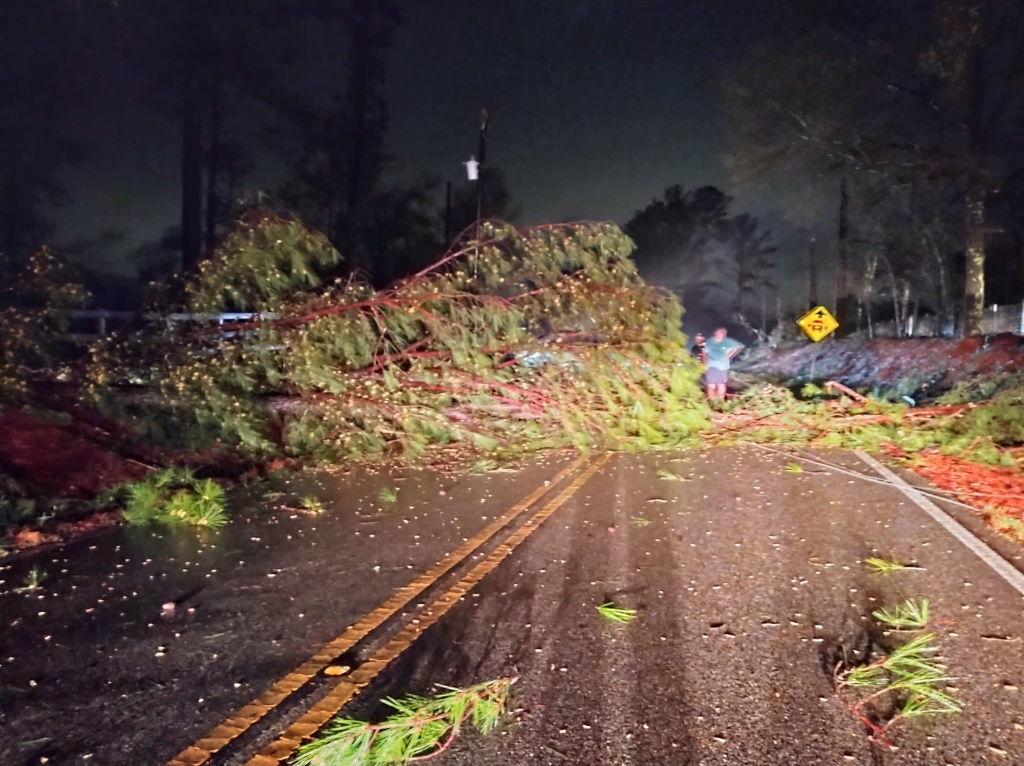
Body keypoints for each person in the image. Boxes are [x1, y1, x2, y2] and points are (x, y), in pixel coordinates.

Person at [702, 327, 743, 400]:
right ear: (715, 333)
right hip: (711, 365)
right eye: (718, 332)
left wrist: (730, 354)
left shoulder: (728, 341)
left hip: (722, 366)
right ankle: (712, 400)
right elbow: (704, 352)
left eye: (722, 333)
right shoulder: (709, 341)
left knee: (721, 384)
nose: (720, 334)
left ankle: (720, 400)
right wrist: (704, 363)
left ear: (724, 335)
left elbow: (739, 346)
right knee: (711, 385)